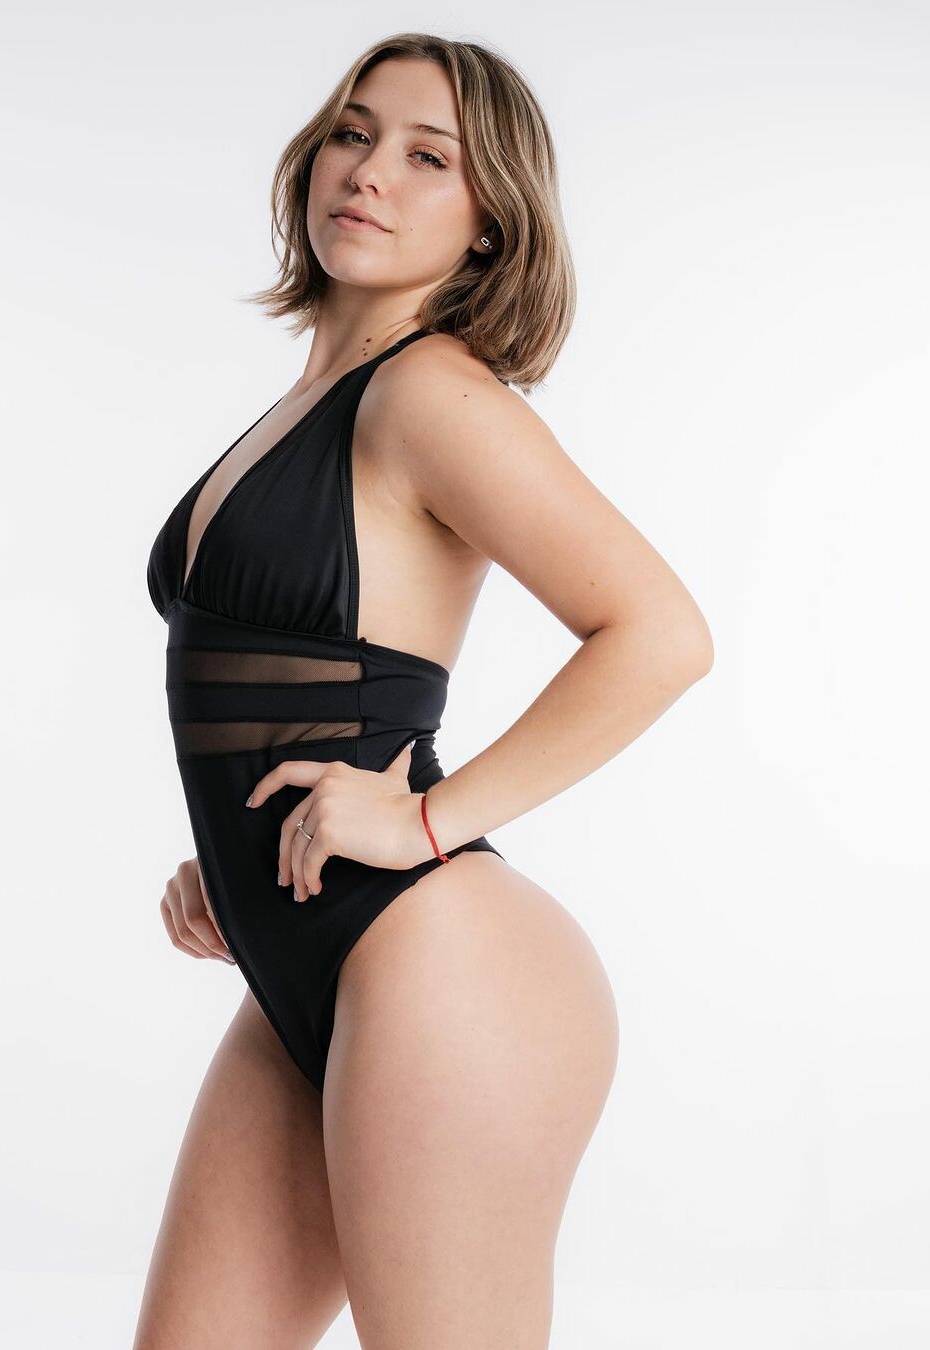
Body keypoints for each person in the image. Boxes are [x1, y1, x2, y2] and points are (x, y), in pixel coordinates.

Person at [136, 31, 713, 1350]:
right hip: (306, 962)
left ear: (490, 221)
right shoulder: (314, 399)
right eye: (354, 132)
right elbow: (294, 679)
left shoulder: (431, 397)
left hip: (442, 964)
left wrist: (423, 821)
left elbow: (660, 634)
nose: (370, 171)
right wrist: (236, 848)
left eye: (427, 156)